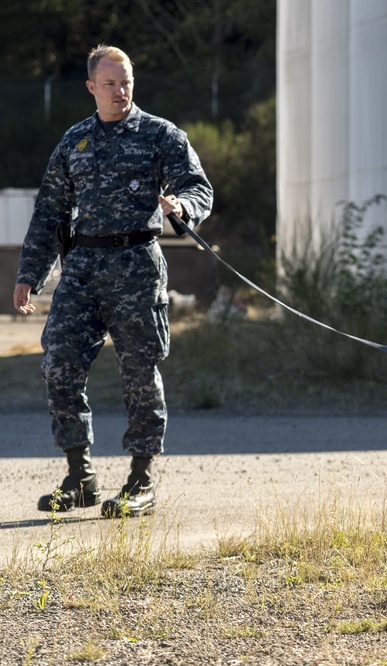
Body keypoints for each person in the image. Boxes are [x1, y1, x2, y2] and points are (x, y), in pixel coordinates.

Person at [12, 45, 213, 518]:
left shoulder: (160, 135)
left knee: (140, 373)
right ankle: (80, 477)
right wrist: (29, 275)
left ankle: (141, 480)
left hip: (137, 265)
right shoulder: (74, 142)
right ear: (91, 87)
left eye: (126, 82)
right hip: (82, 268)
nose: (120, 91)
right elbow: (50, 215)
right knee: (58, 363)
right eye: (110, 83)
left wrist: (183, 208)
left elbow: (197, 186)